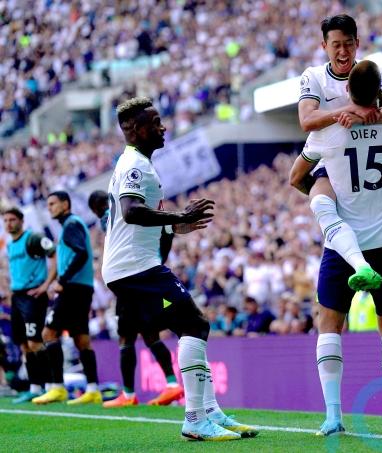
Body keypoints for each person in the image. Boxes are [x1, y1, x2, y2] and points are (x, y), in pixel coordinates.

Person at [101, 97, 256, 441]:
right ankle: (195, 419)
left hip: (131, 267)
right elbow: (131, 212)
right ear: (136, 129)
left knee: (192, 326)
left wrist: (173, 226)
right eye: (155, 122)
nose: (163, 127)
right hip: (135, 267)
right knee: (195, 324)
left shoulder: (136, 162)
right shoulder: (135, 165)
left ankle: (210, 412)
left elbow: (136, 218)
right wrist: (179, 215)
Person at [290, 61, 382, 435]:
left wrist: (324, 190)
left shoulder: (329, 131)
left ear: (346, 91)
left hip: (341, 242)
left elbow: (295, 177)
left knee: (329, 324)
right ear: (380, 93)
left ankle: (334, 416)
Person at [292, 14, 382, 292]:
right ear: (324, 46)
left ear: (357, 43)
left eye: (348, 44)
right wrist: (347, 111)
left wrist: (365, 116)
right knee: (321, 192)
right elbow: (307, 120)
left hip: (374, 149)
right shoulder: (313, 76)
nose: (343, 52)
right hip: (335, 155)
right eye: (336, 45)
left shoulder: (372, 71)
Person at [87, 190, 184, 408]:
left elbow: (112, 228)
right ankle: (171, 384)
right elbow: (167, 236)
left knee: (126, 338)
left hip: (130, 279)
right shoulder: (157, 218)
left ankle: (130, 394)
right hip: (149, 278)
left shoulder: (114, 216)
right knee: (150, 336)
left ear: (97, 208)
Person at [33, 191, 101, 405]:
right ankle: (93, 389)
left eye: (53, 203)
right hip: (82, 288)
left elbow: (81, 254)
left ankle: (57, 387)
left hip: (72, 288)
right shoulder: (71, 225)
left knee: (48, 333)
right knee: (81, 339)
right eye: (48, 205)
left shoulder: (71, 224)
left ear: (65, 204)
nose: (50, 208)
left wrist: (62, 280)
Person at [3, 207, 56, 403]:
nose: (8, 224)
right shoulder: (10, 245)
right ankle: (34, 387)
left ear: (21, 221)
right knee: (24, 344)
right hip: (17, 298)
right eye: (5, 220)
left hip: (33, 295)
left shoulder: (33, 238)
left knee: (35, 342)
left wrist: (46, 284)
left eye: (12, 220)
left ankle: (50, 385)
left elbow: (54, 254)